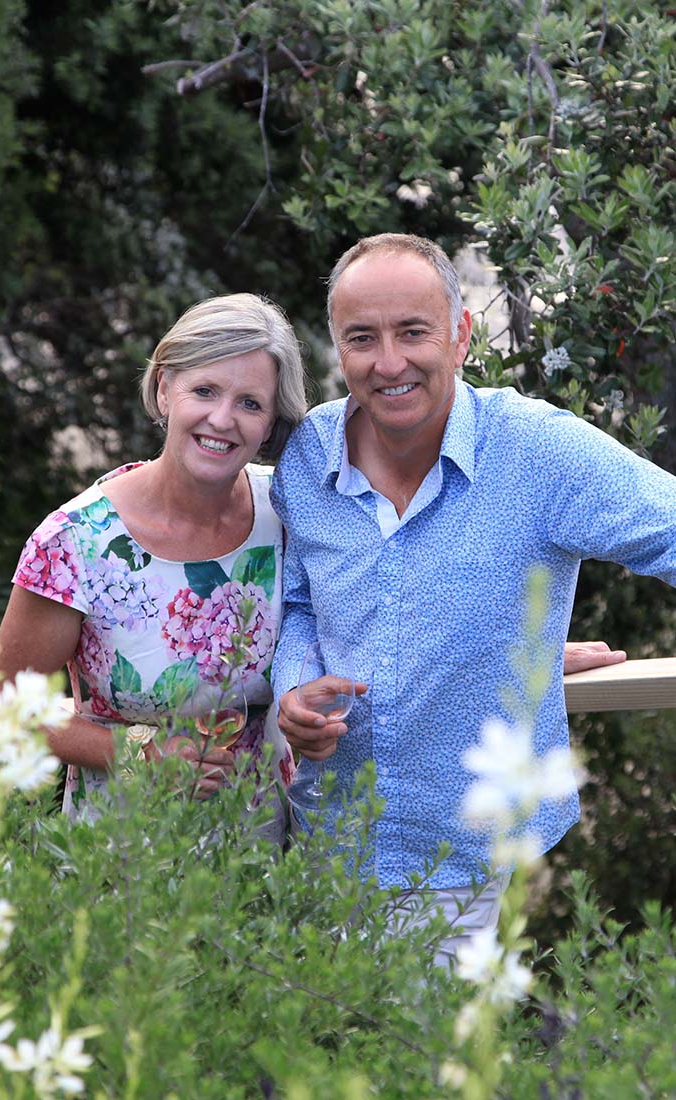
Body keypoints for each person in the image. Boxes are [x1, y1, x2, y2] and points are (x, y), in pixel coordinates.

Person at [270, 232, 676, 961]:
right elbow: (298, 604)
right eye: (361, 338)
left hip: (460, 853)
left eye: (412, 332)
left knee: (421, 1069)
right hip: (318, 835)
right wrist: (293, 689)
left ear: (459, 336)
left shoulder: (538, 453)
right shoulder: (307, 455)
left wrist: (522, 652)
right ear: (336, 347)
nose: (388, 362)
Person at [0, 293, 308, 837]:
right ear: (163, 389)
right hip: (126, 872)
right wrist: (137, 751)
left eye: (250, 403)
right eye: (204, 391)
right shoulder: (75, 543)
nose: (223, 419)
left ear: (271, 421)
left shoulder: (291, 515)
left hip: (266, 867)